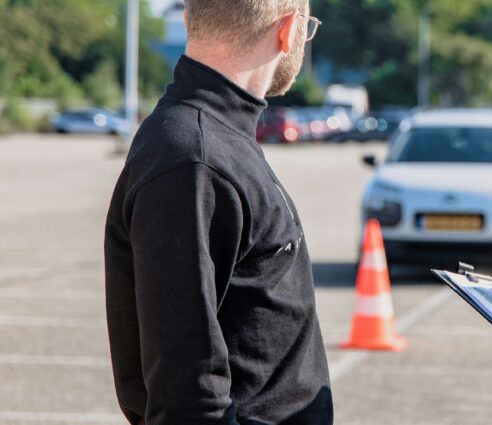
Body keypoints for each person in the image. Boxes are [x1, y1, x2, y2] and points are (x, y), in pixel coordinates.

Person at [103, 1, 331, 423]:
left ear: (190, 19)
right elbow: (186, 397)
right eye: (309, 28)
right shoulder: (194, 158)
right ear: (289, 31)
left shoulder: (217, 140)